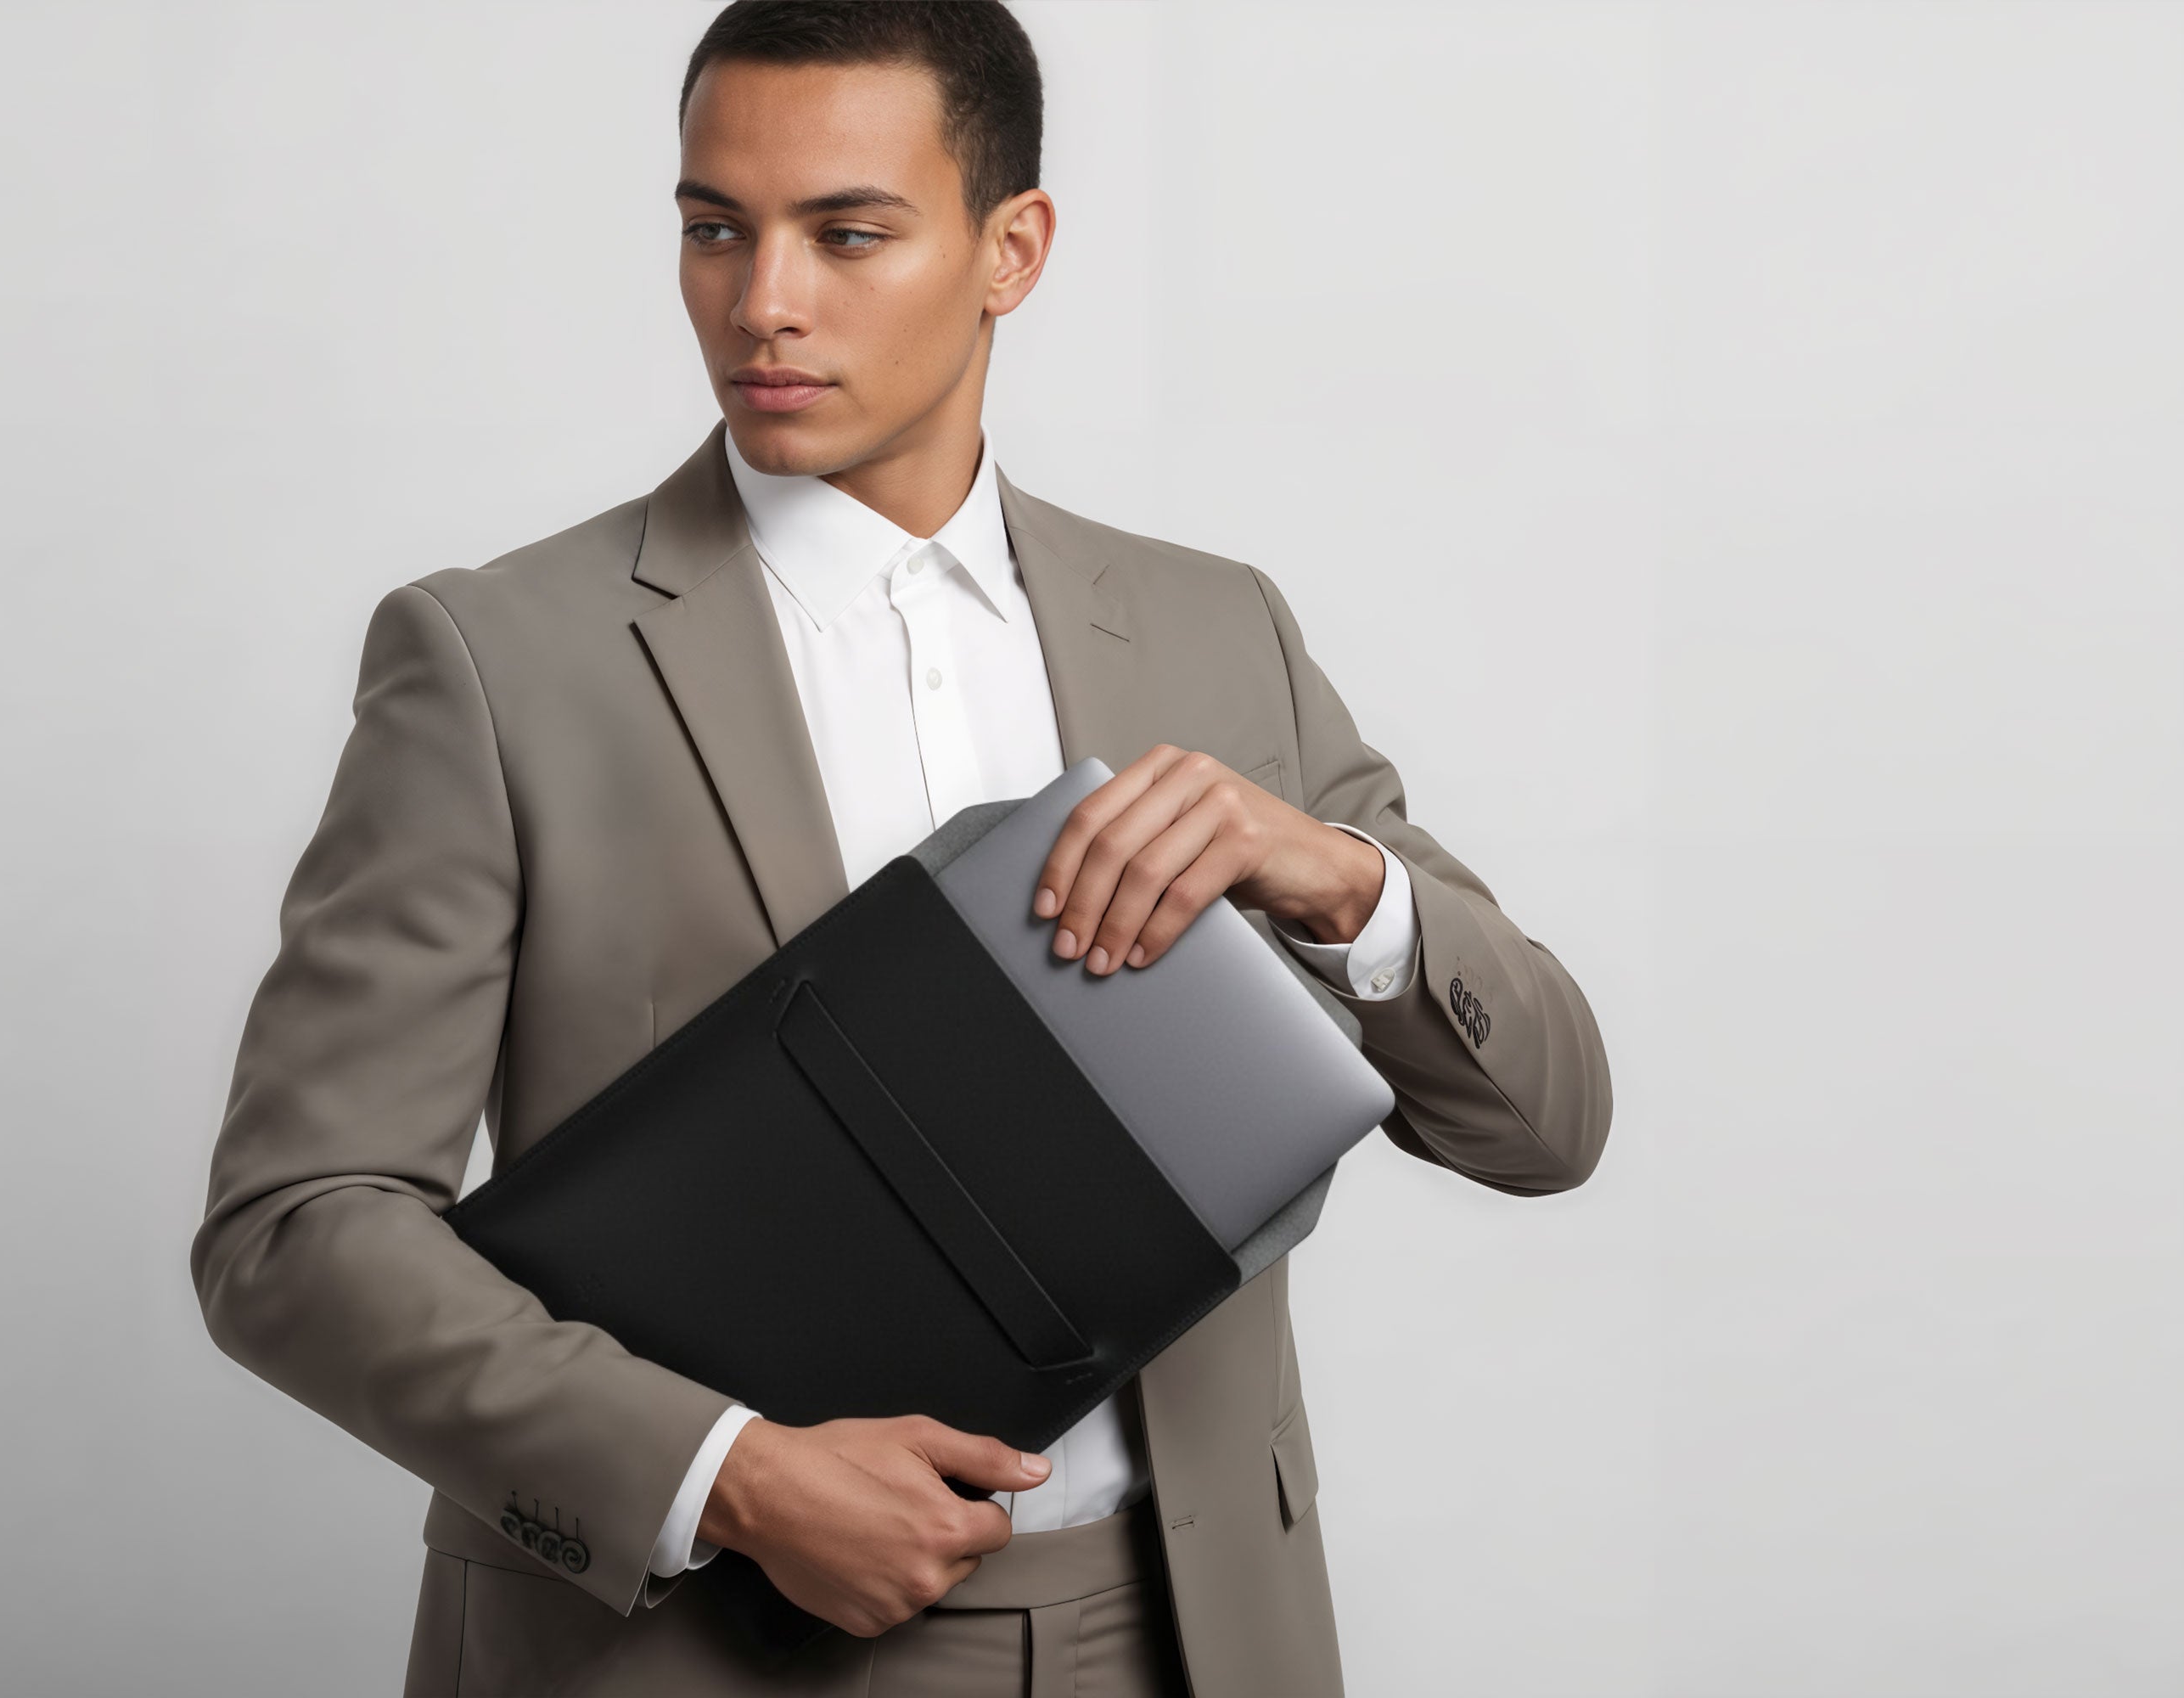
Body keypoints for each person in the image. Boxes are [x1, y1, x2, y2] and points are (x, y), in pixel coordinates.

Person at [191, 3, 1613, 1693]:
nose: (761, 301)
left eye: (846, 232)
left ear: (1014, 250)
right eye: (714, 228)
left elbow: (1549, 1120)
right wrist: (722, 1471)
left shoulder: (1215, 630)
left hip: (1180, 1633)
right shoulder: (497, 662)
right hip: (684, 1646)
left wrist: (1341, 887)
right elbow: (298, 1224)